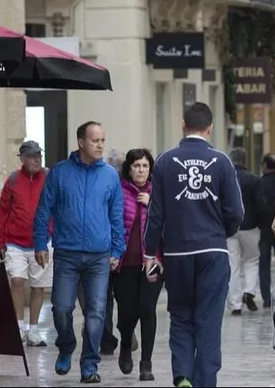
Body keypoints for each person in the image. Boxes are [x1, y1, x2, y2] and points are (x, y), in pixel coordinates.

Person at [143, 102, 244, 388]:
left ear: (183, 125)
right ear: (210, 128)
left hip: (177, 253)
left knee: (181, 316)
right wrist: (222, 232)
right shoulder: (221, 162)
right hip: (213, 251)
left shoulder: (164, 161)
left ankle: (183, 375)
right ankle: (205, 381)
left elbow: (155, 214)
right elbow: (236, 212)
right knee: (208, 321)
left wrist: (150, 253)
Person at [33, 121, 125, 384]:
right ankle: (66, 346)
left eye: (102, 140)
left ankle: (89, 364)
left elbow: (117, 216)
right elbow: (43, 210)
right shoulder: (60, 173)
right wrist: (40, 243)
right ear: (81, 142)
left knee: (96, 312)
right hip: (67, 253)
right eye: (95, 140)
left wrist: (117, 249)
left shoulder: (110, 176)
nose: (100, 145)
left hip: (99, 256)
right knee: (61, 308)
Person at [113, 148, 163, 381]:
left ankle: (146, 363)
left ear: (150, 169)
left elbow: (169, 223)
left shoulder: (159, 192)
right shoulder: (119, 191)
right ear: (129, 169)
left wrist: (152, 205)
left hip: (153, 260)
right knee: (128, 313)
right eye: (136, 166)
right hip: (126, 262)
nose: (141, 170)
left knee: (147, 309)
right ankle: (125, 344)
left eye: (144, 166)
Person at [0, 140, 51, 347]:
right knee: (17, 281)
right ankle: (19, 327)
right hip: (15, 242)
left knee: (38, 286)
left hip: (42, 242)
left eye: (39, 156)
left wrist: (52, 232)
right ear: (23, 159)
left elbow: (57, 206)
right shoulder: (12, 180)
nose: (37, 160)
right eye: (32, 156)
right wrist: (0, 241)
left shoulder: (48, 177)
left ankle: (34, 330)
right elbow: (3, 212)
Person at [227, 147, 264, 315]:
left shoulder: (225, 177)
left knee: (232, 265)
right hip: (251, 227)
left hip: (229, 228)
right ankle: (249, 291)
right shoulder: (254, 179)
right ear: (245, 160)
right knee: (251, 260)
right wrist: (260, 224)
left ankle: (235, 304)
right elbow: (260, 204)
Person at [257, 153, 275, 307]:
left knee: (264, 265)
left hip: (264, 229)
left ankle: (267, 299)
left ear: (265, 165)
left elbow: (255, 205)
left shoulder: (259, 183)